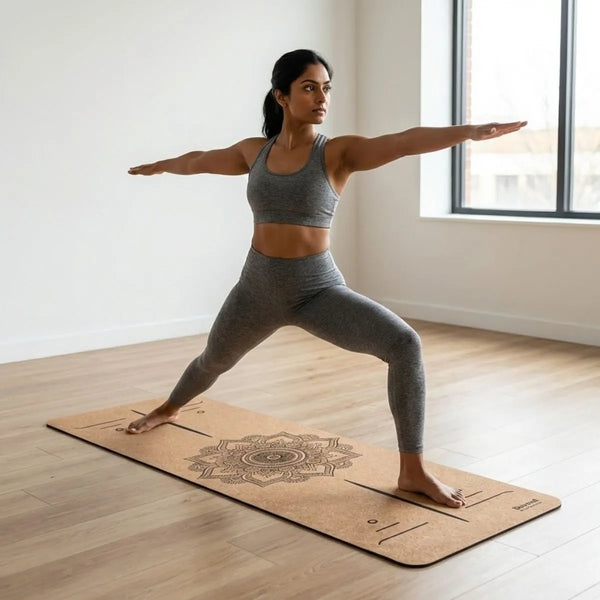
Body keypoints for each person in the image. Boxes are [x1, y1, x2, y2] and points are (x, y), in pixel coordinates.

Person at [126, 49, 527, 508]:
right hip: (257, 288)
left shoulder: (338, 152)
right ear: (281, 95)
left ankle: (412, 470)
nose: (322, 98)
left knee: (404, 344)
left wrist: (471, 132)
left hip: (317, 290)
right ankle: (169, 408)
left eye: (327, 88)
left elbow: (403, 141)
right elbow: (198, 160)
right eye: (310, 87)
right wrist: (159, 166)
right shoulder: (253, 152)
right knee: (213, 362)